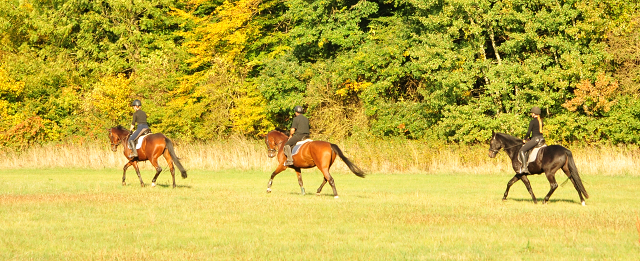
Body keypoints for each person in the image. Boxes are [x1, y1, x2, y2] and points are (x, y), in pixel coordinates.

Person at [519, 106, 544, 174]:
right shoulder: (541, 121)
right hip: (541, 139)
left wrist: (524, 139)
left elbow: (528, 132)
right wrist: (530, 138)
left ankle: (524, 167)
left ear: (534, 113)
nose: (531, 114)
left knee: (522, 150)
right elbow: (537, 132)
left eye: (532, 113)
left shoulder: (532, 122)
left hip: (535, 139)